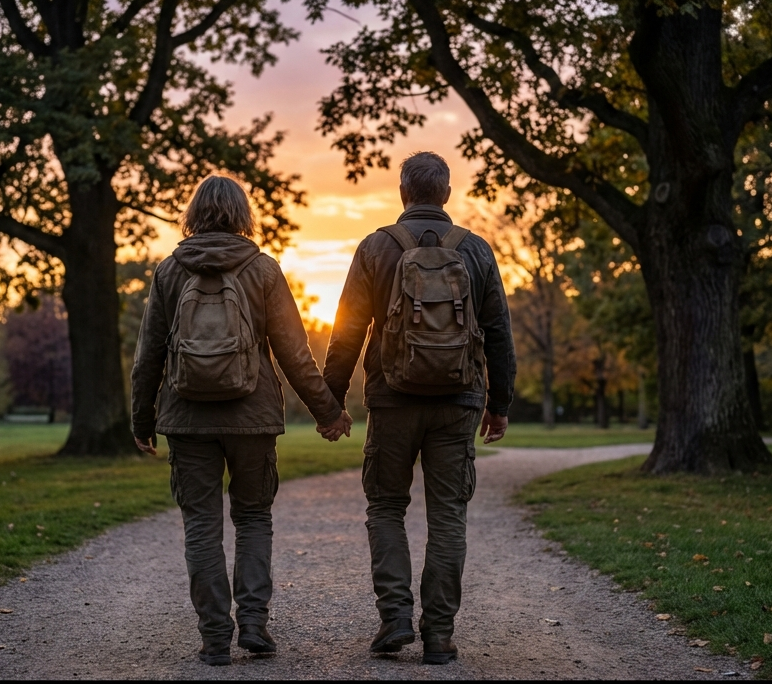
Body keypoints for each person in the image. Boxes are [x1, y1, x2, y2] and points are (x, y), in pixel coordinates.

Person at [130, 175, 353, 666]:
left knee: (201, 525)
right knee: (253, 516)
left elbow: (148, 356)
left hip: (186, 419)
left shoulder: (170, 271)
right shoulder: (263, 270)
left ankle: (214, 637)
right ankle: (253, 624)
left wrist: (142, 419)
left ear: (194, 213)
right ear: (242, 214)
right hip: (252, 416)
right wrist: (329, 413)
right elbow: (295, 355)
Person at [321, 151, 516, 664]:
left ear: (403, 192)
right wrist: (500, 404)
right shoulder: (475, 250)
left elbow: (346, 332)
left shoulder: (376, 246)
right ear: (446, 194)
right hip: (459, 402)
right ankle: (439, 635)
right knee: (448, 514)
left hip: (391, 399)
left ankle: (394, 619)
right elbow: (498, 332)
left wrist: (330, 402)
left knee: (386, 507)